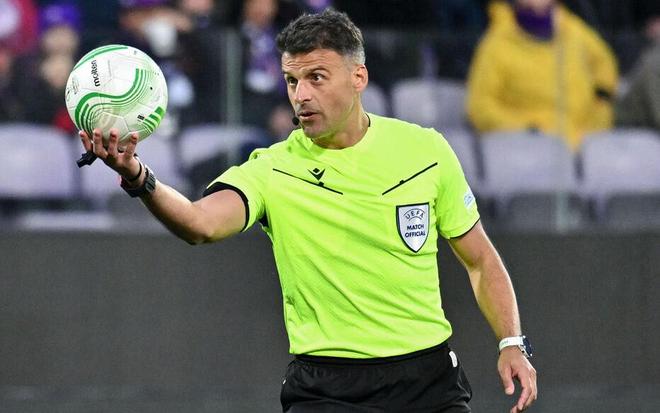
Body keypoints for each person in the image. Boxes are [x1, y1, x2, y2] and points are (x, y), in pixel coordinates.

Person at [79, 10, 537, 412]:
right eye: (292, 81)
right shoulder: (272, 169)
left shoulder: (425, 151)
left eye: (317, 78)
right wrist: (138, 177)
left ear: (358, 77)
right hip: (328, 390)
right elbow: (199, 224)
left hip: (428, 381)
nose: (300, 95)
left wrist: (511, 341)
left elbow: (480, 260)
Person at [466, 0, 618, 151]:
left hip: (587, 141)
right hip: (528, 150)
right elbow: (480, 107)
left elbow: (604, 61)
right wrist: (526, 130)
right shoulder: (497, 44)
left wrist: (601, 101)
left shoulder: (571, 28)